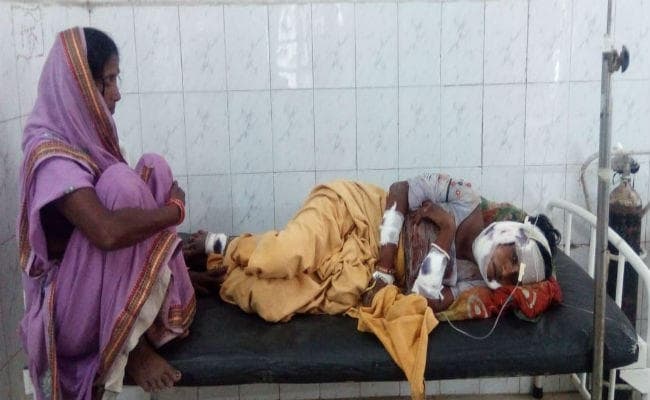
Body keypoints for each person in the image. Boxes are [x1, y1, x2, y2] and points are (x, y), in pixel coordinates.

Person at [18, 27, 195, 399]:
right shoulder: (50, 156)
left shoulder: (84, 140)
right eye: (107, 81)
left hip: (94, 290)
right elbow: (107, 232)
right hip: (70, 317)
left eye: (116, 79)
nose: (117, 93)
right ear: (80, 87)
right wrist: (172, 213)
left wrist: (176, 255)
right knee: (120, 185)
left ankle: (160, 310)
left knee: (153, 168)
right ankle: (132, 350)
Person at [183, 173, 561, 314]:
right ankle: (220, 243)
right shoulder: (464, 197)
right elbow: (400, 190)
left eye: (514, 278)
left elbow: (422, 298)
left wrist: (445, 233)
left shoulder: (475, 283)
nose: (506, 271)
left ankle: (221, 270)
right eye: (514, 258)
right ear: (509, 234)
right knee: (285, 255)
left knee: (274, 302)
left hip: (360, 266)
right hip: (358, 213)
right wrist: (384, 267)